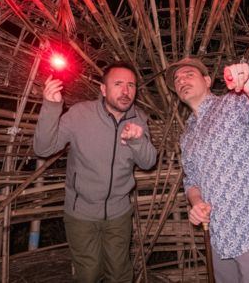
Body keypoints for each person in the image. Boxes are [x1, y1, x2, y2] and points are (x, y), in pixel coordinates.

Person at [33, 61, 157, 283]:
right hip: (81, 213)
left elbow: (148, 162)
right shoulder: (80, 114)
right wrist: (51, 107)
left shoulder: (139, 118)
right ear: (103, 89)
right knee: (88, 274)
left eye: (131, 85)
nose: (126, 91)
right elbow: (43, 149)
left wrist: (138, 141)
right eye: (118, 84)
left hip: (119, 214)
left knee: (121, 275)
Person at [165, 57, 249, 283]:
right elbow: (191, 181)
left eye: (188, 74)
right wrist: (197, 203)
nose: (181, 80)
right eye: (176, 79)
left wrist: (248, 82)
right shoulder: (187, 135)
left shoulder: (232, 103)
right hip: (217, 231)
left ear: (207, 80)